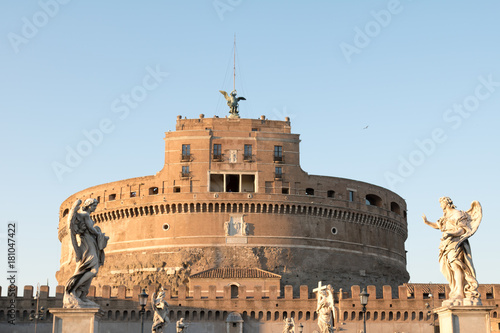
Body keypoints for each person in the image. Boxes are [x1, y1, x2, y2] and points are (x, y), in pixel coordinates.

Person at [422, 197, 482, 306]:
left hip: (456, 242)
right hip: (446, 244)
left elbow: (463, 230)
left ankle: (460, 291)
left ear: (447, 203)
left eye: (441, 203)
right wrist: (427, 222)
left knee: (456, 266)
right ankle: (455, 290)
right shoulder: (445, 217)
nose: (441, 206)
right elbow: (438, 226)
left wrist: (451, 234)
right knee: (447, 267)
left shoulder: (457, 214)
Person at [64, 198, 109, 308]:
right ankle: (73, 290)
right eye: (93, 205)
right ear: (88, 205)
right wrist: (100, 234)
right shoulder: (84, 215)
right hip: (87, 244)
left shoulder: (85, 216)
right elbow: (90, 228)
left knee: (92, 269)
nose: (95, 208)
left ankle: (82, 294)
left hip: (91, 243)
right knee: (92, 270)